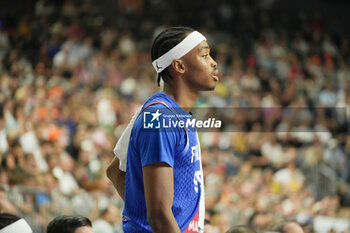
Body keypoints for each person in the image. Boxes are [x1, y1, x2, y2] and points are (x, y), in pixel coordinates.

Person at [107, 26, 218, 233]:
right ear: (179, 66)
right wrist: (149, 223)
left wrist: (142, 212)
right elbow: (159, 213)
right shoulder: (159, 117)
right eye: (204, 55)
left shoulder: (167, 113)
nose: (214, 62)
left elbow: (115, 170)